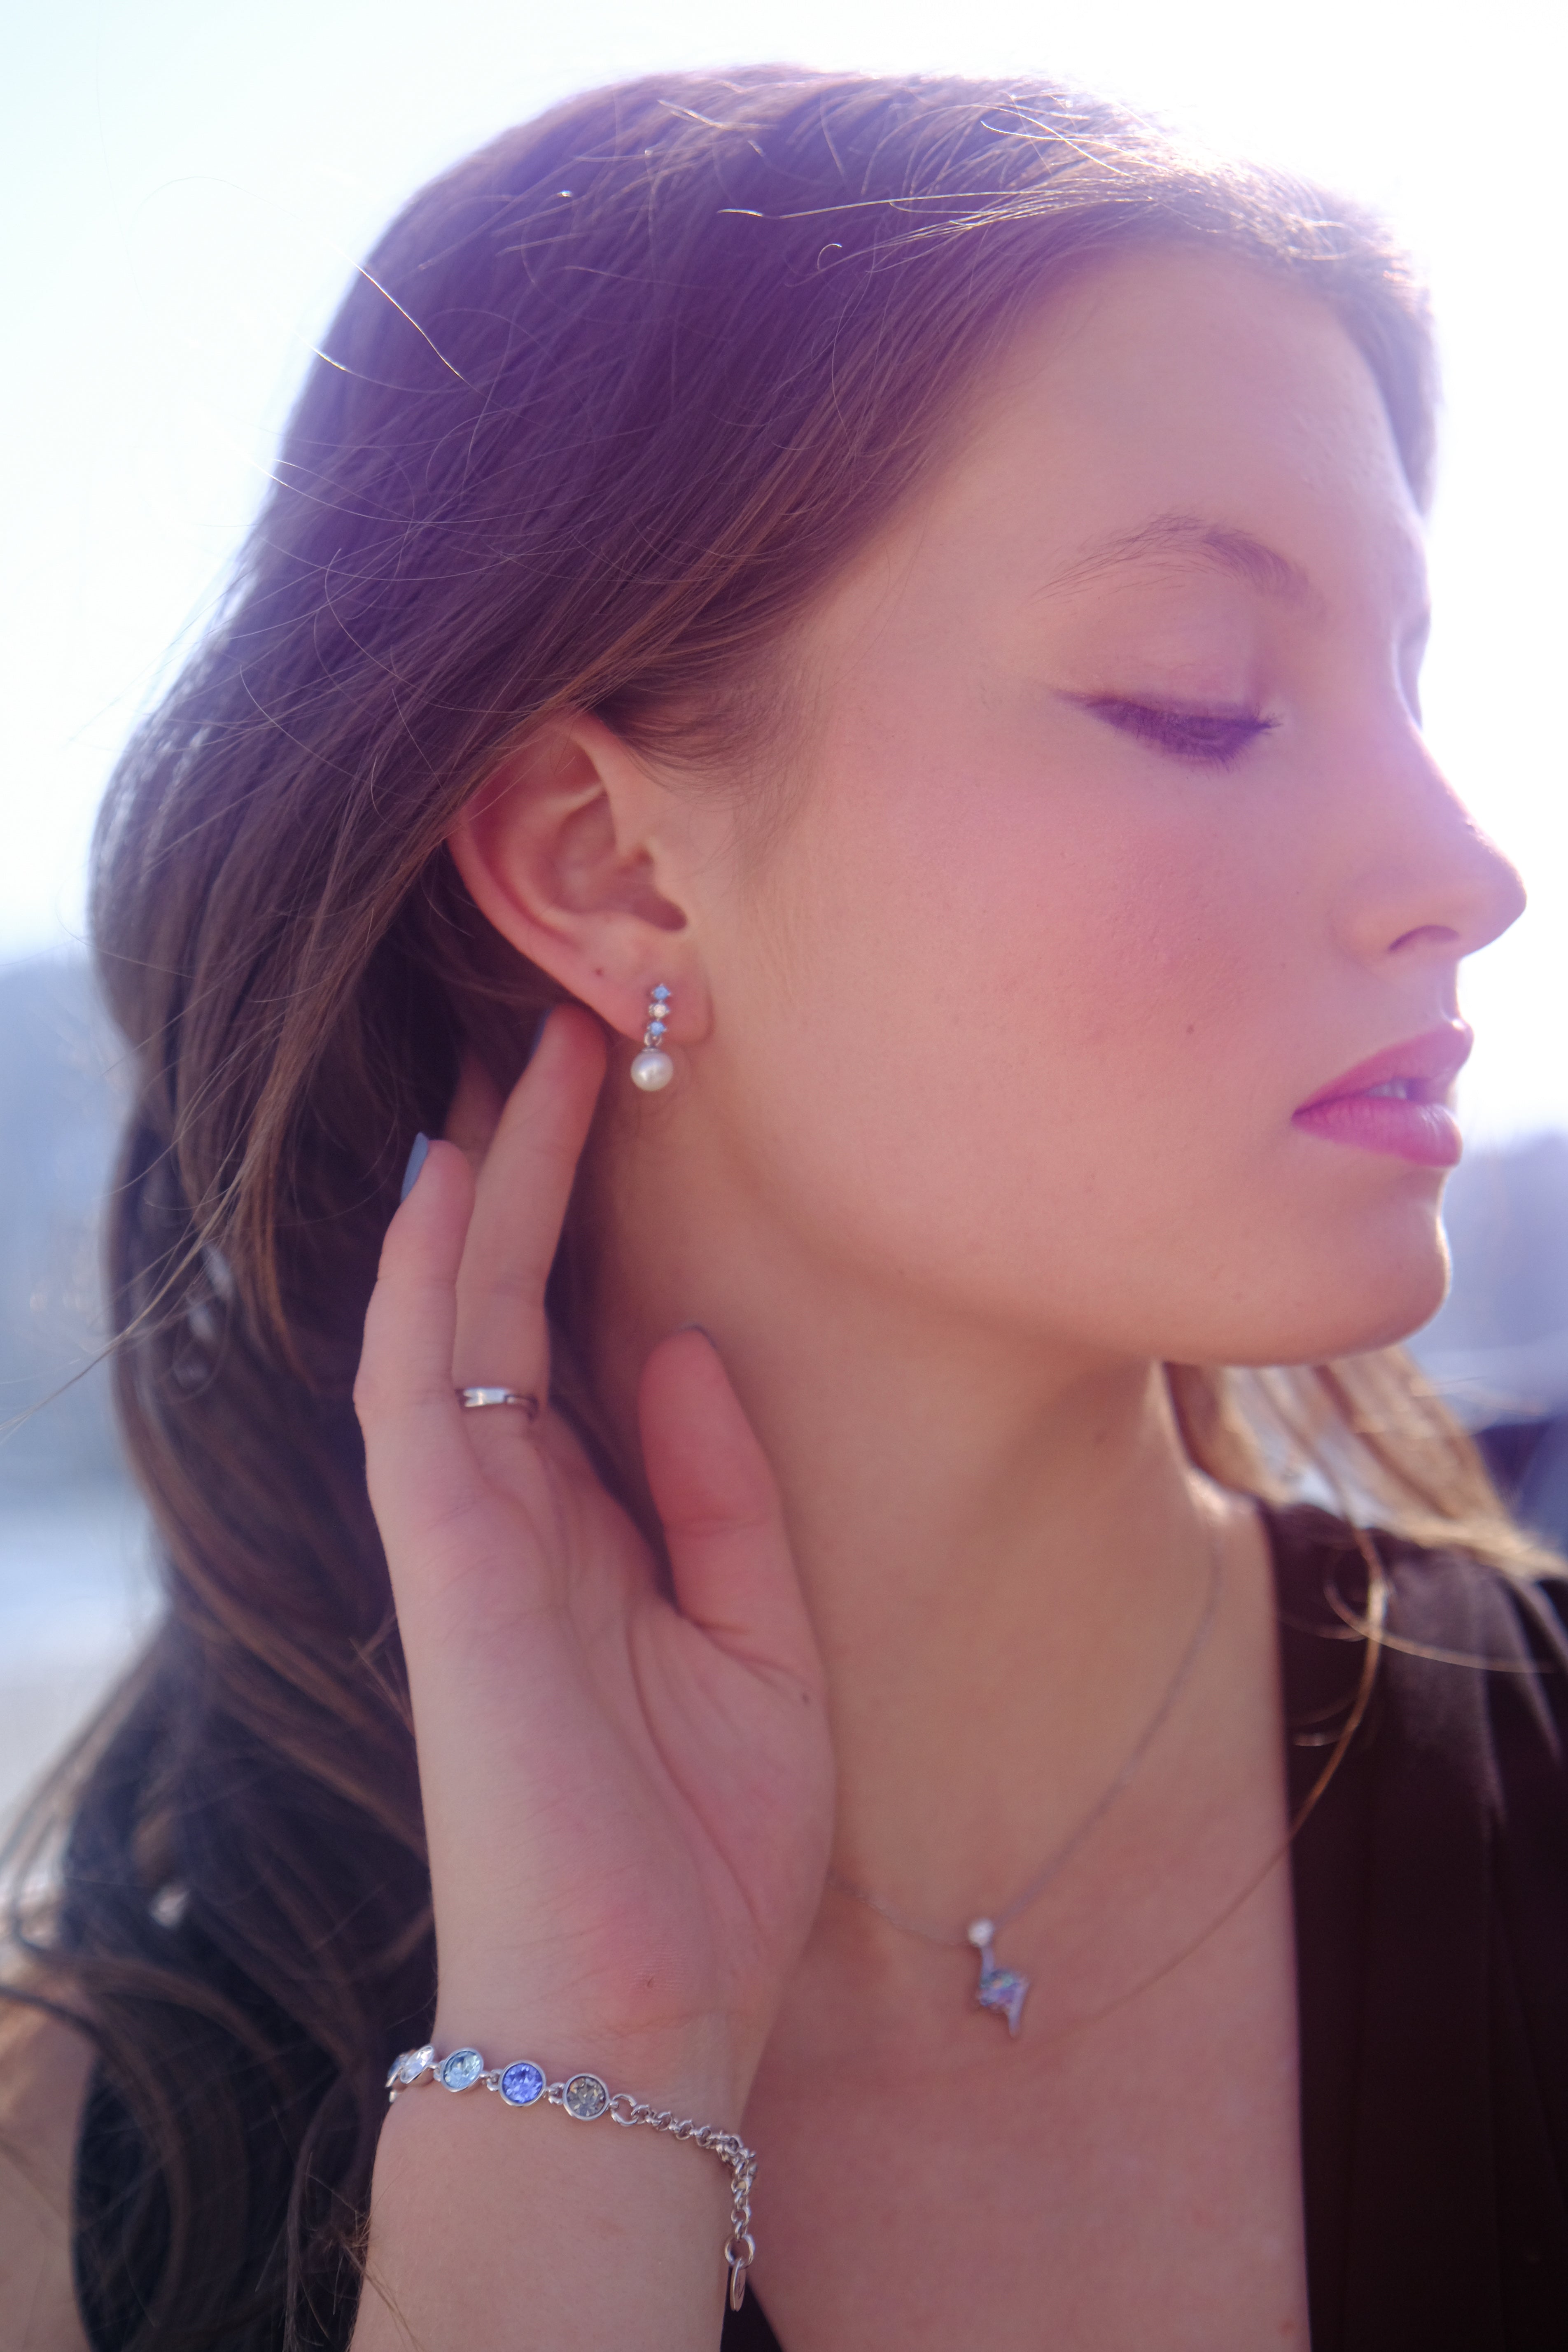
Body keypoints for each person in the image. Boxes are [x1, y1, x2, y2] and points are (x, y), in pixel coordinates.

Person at [2, 65, 1565, 2352]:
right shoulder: (82, 2199)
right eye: (1203, 699)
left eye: (1410, 687)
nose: (1467, 872)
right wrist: (588, 2095)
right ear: (611, 868)